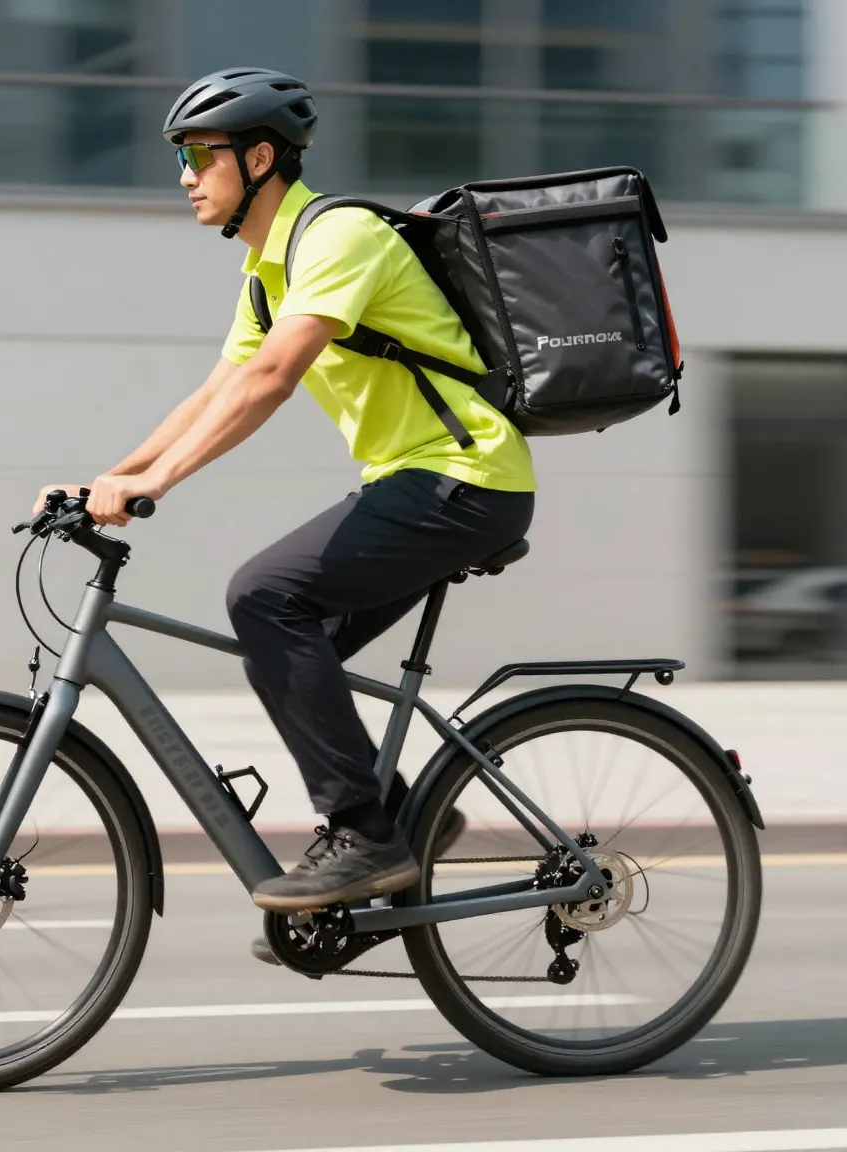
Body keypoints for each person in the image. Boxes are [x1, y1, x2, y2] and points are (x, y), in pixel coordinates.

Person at [43, 68, 536, 923]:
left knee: (264, 595)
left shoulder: (337, 234)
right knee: (290, 653)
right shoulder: (266, 274)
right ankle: (408, 821)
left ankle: (364, 834)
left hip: (467, 478)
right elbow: (214, 392)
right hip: (415, 481)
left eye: (201, 154)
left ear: (260, 156)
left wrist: (157, 484)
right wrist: (108, 477)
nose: (187, 175)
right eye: (181, 159)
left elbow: (273, 375)